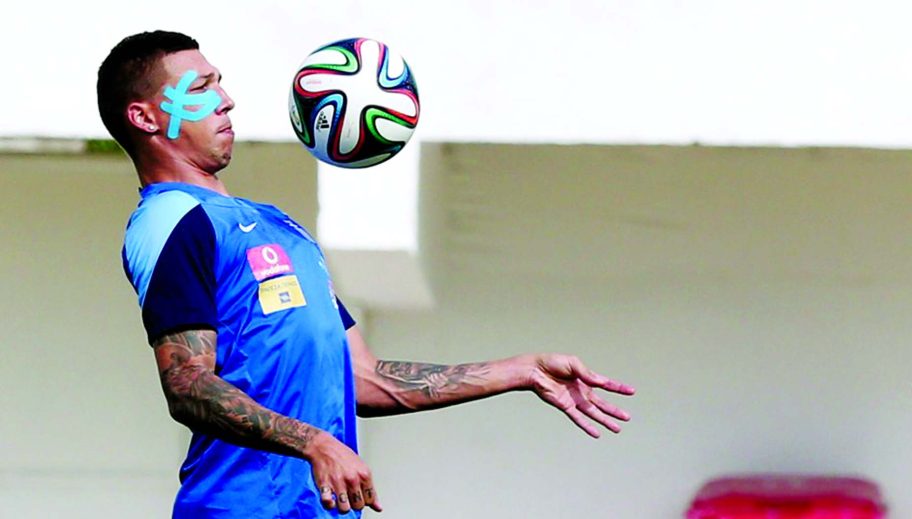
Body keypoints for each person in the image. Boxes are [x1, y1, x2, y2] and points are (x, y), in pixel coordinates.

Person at [97, 30, 635, 518]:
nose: (226, 98)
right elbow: (187, 385)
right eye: (203, 86)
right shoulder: (171, 219)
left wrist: (518, 371)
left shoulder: (279, 227)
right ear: (146, 117)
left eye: (222, 82)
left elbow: (361, 378)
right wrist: (315, 442)